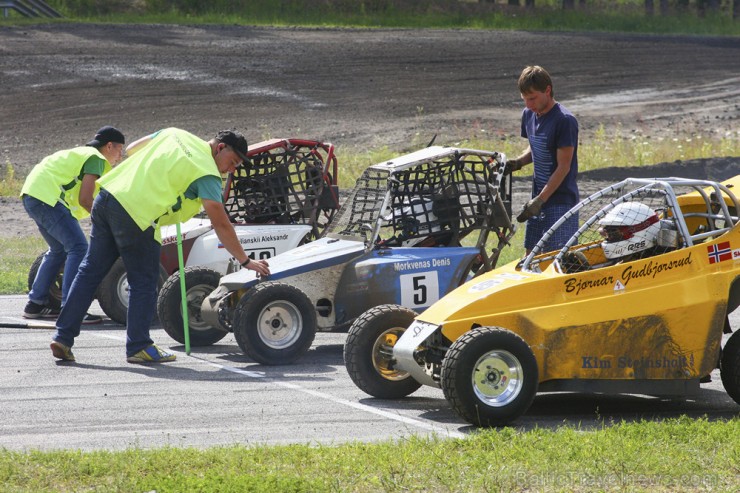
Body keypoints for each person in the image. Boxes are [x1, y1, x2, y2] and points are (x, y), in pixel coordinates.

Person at [50, 128, 270, 363]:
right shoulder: (207, 173)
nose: (232, 169)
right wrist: (246, 261)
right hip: (137, 213)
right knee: (144, 281)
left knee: (89, 271)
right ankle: (139, 346)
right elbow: (221, 223)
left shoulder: (176, 134)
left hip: (107, 197)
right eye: (233, 162)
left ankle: (62, 337)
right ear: (220, 148)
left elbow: (134, 148)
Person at [21, 126, 126, 323]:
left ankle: (35, 305)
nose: (120, 157)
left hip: (33, 194)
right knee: (79, 248)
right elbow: (85, 199)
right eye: (120, 150)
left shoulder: (81, 153)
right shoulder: (96, 158)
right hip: (47, 198)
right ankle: (71, 309)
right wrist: (107, 224)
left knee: (58, 250)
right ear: (109, 146)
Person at [506, 65, 579, 254]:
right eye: (524, 99)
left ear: (547, 90)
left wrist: (540, 200)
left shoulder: (565, 120)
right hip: (537, 201)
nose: (528, 105)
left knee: (557, 259)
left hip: (561, 202)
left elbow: (564, 167)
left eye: (532, 98)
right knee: (530, 255)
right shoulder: (529, 114)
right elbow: (538, 145)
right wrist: (518, 163)